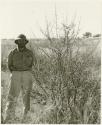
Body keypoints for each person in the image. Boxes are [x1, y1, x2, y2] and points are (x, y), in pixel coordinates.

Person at [5, 34, 34, 123]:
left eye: (23, 41)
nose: (21, 42)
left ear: (25, 42)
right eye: (19, 40)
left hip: (27, 74)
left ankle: (26, 119)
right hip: (15, 75)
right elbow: (9, 65)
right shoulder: (12, 53)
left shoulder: (30, 53)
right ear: (16, 42)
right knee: (12, 97)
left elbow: (32, 64)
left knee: (26, 97)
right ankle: (9, 118)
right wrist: (15, 73)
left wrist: (26, 72)